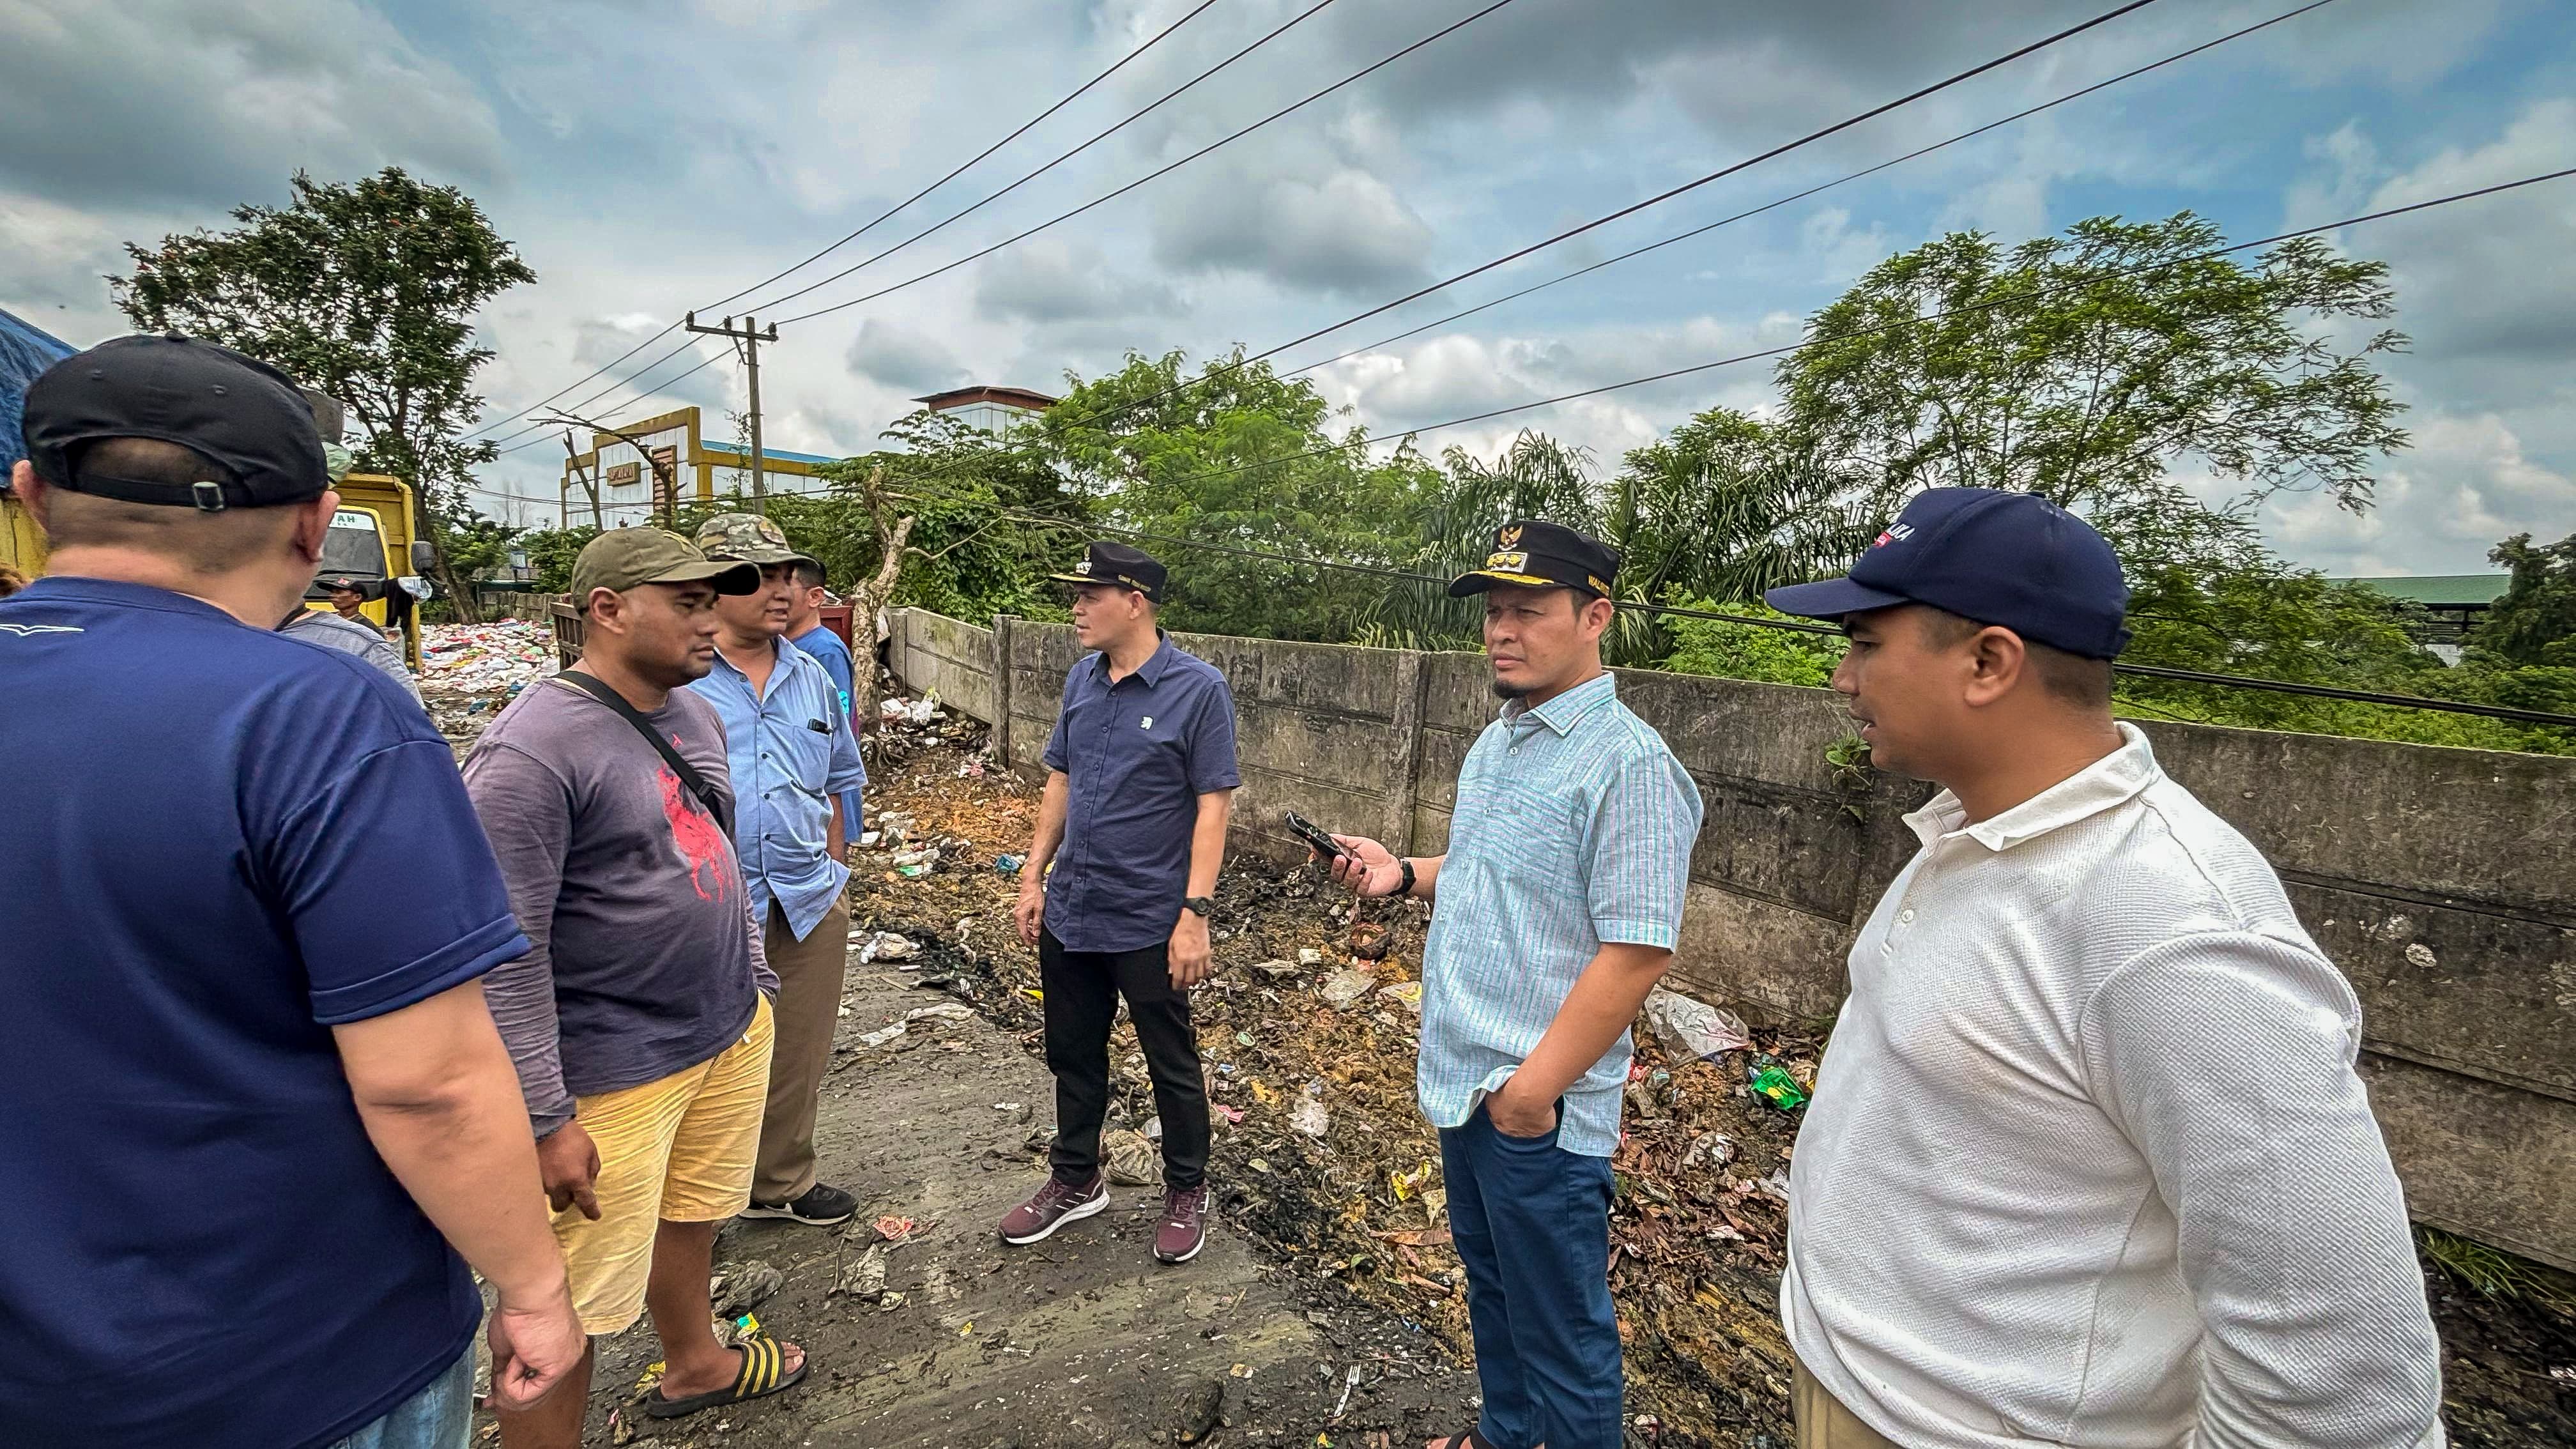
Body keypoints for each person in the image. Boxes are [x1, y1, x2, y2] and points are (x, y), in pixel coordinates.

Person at [1760, 487, 2444, 1449]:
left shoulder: (2177, 932)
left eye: (1867, 643)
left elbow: (2340, 1379)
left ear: (1989, 662)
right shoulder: (1972, 832)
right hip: (1856, 1381)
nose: (1842, 677)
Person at [0, 335, 584, 1448]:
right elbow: (429, 1083)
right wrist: (533, 1288)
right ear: (316, 525)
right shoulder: (313, 714)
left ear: (33, 496)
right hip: (296, 1357)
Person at [1322, 519, 1701, 1449]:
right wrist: (1402, 873)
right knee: (1493, 1292)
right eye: (1494, 611)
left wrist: (1532, 1096)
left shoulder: (1630, 764)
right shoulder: (1502, 741)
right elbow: (1492, 867)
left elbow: (1638, 950)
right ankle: (1505, 1434)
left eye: (1528, 610)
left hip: (1539, 1108)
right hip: (1465, 1080)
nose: (1501, 630)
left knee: (1562, 1333)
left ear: (1594, 616)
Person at [464, 528, 814, 1443]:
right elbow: (506, 952)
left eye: (714, 602)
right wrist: (543, 1116)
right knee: (558, 1312)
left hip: (724, 1028)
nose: (713, 623)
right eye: (690, 603)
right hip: (612, 1070)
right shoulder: (529, 755)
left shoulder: (690, 713)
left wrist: (753, 976)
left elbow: (724, 850)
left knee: (693, 1209)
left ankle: (697, 1362)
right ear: (609, 610)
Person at [1002, 541, 1239, 1266]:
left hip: (1147, 916)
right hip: (1074, 908)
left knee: (1169, 1057)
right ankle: (1076, 1177)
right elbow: (1061, 781)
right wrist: (1032, 875)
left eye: (1090, 594)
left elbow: (1213, 807)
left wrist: (1194, 914)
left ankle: (1186, 1188)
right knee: (1072, 1053)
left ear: (1134, 602)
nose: (1076, 607)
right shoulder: (1083, 679)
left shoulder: (1198, 690)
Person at [687, 514, 868, 1227]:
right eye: (756, 574)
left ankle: (779, 1181)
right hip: (707, 906)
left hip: (805, 897)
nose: (779, 589)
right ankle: (692, 1215)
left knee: (796, 1053)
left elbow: (836, 784)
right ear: (708, 585)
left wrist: (834, 875)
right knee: (699, 1064)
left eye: (784, 573)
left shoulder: (813, 679)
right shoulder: (681, 684)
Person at [783, 555, 868, 843]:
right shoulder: (784, 648)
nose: (776, 596)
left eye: (785, 585)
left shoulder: (824, 651)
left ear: (815, 597)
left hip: (826, 789)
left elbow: (834, 727)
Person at [282, 572, 424, 702]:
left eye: (339, 592)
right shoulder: (324, 622)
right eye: (332, 592)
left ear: (357, 598)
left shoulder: (366, 632)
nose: (333, 596)